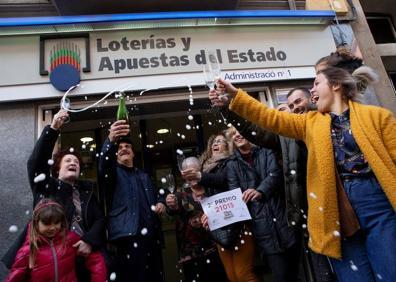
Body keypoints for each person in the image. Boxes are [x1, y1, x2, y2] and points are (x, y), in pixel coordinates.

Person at [217, 67, 396, 281]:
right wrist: (235, 95)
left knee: (390, 272)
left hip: (379, 205)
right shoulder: (309, 123)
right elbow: (268, 117)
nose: (312, 90)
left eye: (316, 83)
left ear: (336, 85)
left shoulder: (378, 116)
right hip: (336, 210)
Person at [210, 88, 335, 282]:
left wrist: (261, 190)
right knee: (311, 271)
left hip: (324, 210)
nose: (293, 109)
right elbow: (253, 130)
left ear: (311, 100)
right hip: (294, 218)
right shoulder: (278, 141)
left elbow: (275, 175)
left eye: (295, 104)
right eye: (289, 106)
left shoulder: (326, 125)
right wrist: (228, 108)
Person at [2, 109, 106, 280]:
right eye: (68, 160)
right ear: (57, 169)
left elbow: (100, 219)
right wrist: (53, 129)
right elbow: (36, 163)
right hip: (49, 261)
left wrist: (89, 241)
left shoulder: (87, 194)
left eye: (76, 162)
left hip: (82, 259)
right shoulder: (45, 185)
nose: (73, 162)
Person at [181, 133, 258, 282]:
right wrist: (205, 214)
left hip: (239, 226)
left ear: (228, 146)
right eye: (214, 142)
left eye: (221, 142)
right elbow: (209, 199)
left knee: (244, 274)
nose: (216, 144)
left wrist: (199, 176)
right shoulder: (206, 169)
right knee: (232, 276)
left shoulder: (232, 162)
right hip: (220, 229)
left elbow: (223, 181)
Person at [225, 127, 299, 282]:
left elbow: (275, 174)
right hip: (262, 225)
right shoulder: (231, 164)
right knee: (280, 275)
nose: (238, 134)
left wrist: (260, 191)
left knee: (296, 272)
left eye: (240, 130)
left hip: (283, 216)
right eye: (233, 134)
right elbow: (235, 194)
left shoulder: (265, 150)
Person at [98, 120, 166, 282]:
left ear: (133, 153)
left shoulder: (144, 176)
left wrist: (162, 202)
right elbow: (104, 164)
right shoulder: (112, 174)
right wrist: (111, 141)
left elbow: (159, 195)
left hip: (151, 239)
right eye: (120, 148)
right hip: (127, 239)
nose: (123, 149)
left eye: (127, 147)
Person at [7, 199, 106, 282]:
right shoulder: (28, 250)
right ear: (36, 223)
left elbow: (95, 260)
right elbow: (15, 277)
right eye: (47, 223)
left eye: (56, 222)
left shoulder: (70, 240)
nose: (52, 227)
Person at [165, 157, 228, 282]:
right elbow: (172, 210)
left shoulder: (211, 189)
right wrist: (171, 206)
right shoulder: (181, 194)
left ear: (200, 171)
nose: (191, 177)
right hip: (192, 254)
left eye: (193, 172)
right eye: (187, 174)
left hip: (216, 248)